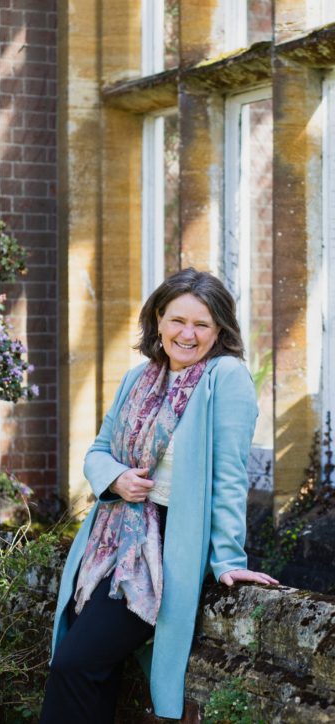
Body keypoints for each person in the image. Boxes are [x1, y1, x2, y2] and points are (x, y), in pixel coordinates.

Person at [39, 268, 279, 722]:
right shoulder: (139, 378)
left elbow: (229, 477)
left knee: (76, 662)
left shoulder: (225, 378)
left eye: (202, 324)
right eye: (177, 320)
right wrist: (116, 479)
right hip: (110, 539)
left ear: (220, 330)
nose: (187, 334)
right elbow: (97, 451)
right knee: (88, 665)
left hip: (165, 547)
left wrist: (228, 559)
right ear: (158, 320)